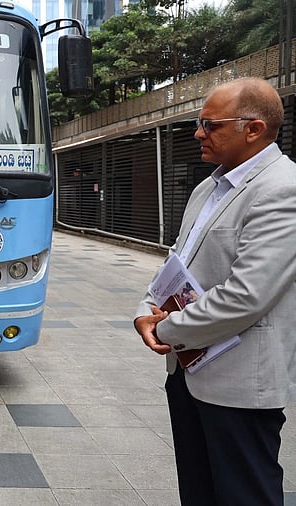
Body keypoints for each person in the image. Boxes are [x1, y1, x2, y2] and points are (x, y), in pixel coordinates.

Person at [134, 77, 296, 506]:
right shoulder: (209, 186)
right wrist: (145, 309)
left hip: (239, 384)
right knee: (199, 492)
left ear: (254, 129)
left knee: (245, 495)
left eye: (210, 125)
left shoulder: (283, 188)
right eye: (199, 123)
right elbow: (177, 261)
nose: (198, 133)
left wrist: (166, 329)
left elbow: (247, 295)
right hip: (188, 373)